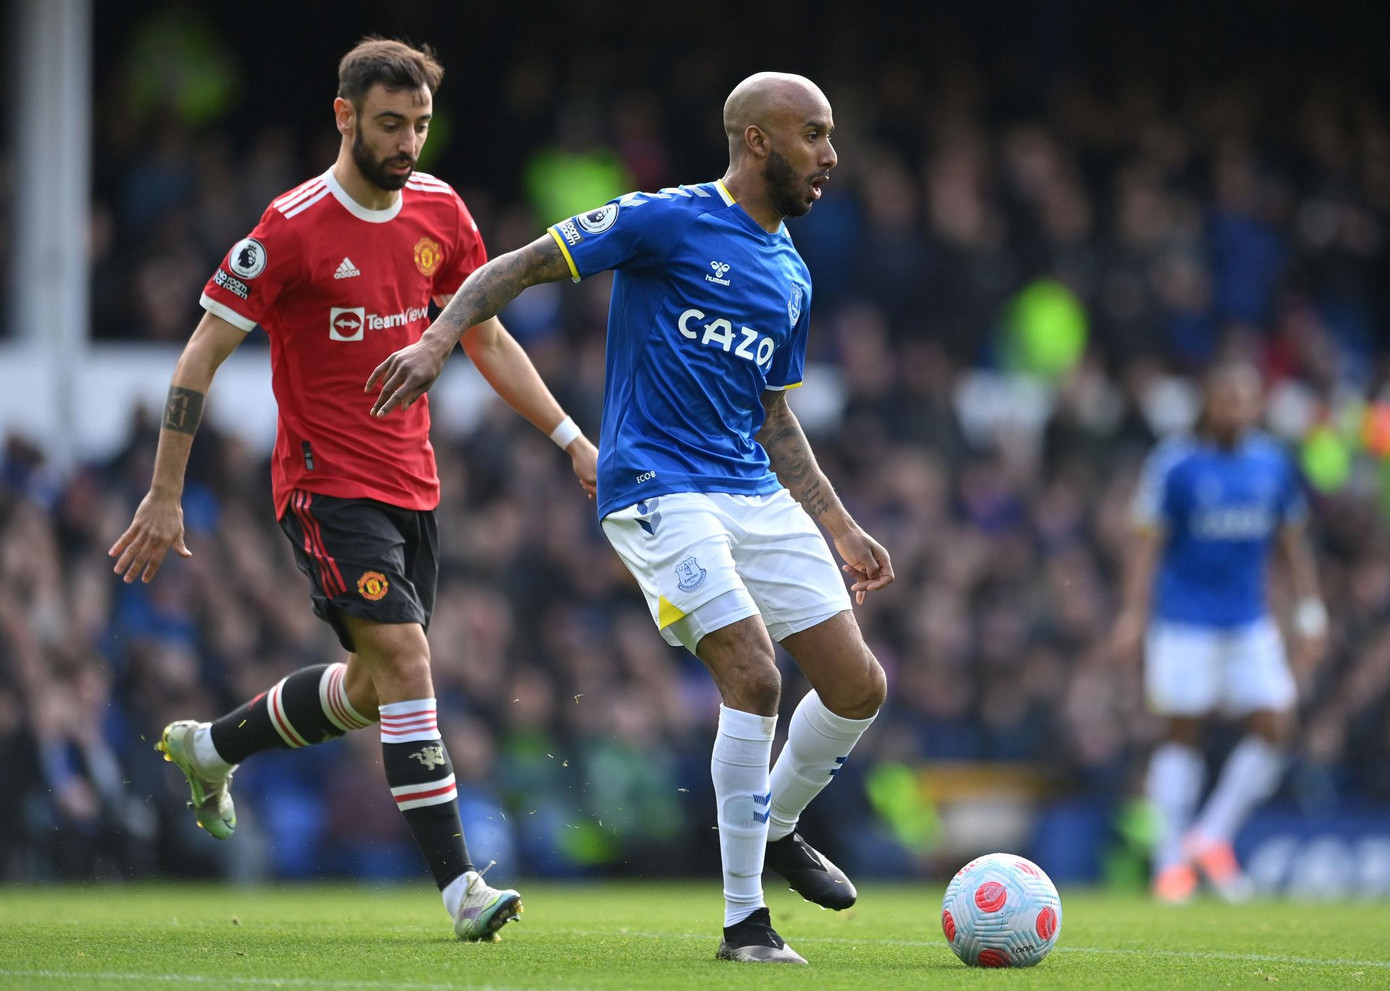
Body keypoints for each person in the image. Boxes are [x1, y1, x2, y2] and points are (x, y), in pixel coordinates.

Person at [368, 71, 891, 964]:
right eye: (814, 134)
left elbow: (771, 413)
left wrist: (839, 524)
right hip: (656, 483)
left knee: (858, 687)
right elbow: (517, 266)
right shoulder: (666, 219)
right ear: (756, 140)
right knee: (754, 675)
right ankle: (745, 922)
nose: (830, 155)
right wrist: (437, 337)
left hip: (749, 486)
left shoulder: (792, 273)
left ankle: (775, 822)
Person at [108, 37, 596, 942]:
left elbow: (486, 337)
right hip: (324, 485)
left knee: (374, 688)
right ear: (344, 117)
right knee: (409, 663)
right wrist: (164, 492)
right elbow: (200, 354)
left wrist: (572, 439)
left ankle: (210, 747)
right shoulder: (289, 228)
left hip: (415, 487)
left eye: (420, 125)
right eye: (390, 124)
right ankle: (462, 888)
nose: (408, 143)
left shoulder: (441, 211)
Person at [1113, 360, 1326, 902]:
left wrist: (1309, 611)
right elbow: (1148, 543)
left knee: (1277, 722)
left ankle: (1210, 836)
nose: (1236, 407)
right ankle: (1170, 865)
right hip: (1183, 620)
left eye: (1245, 397)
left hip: (1248, 620)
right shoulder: (1176, 464)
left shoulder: (1273, 463)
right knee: (1182, 730)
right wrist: (1133, 614)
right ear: (1207, 402)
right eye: (1226, 396)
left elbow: (1291, 541)